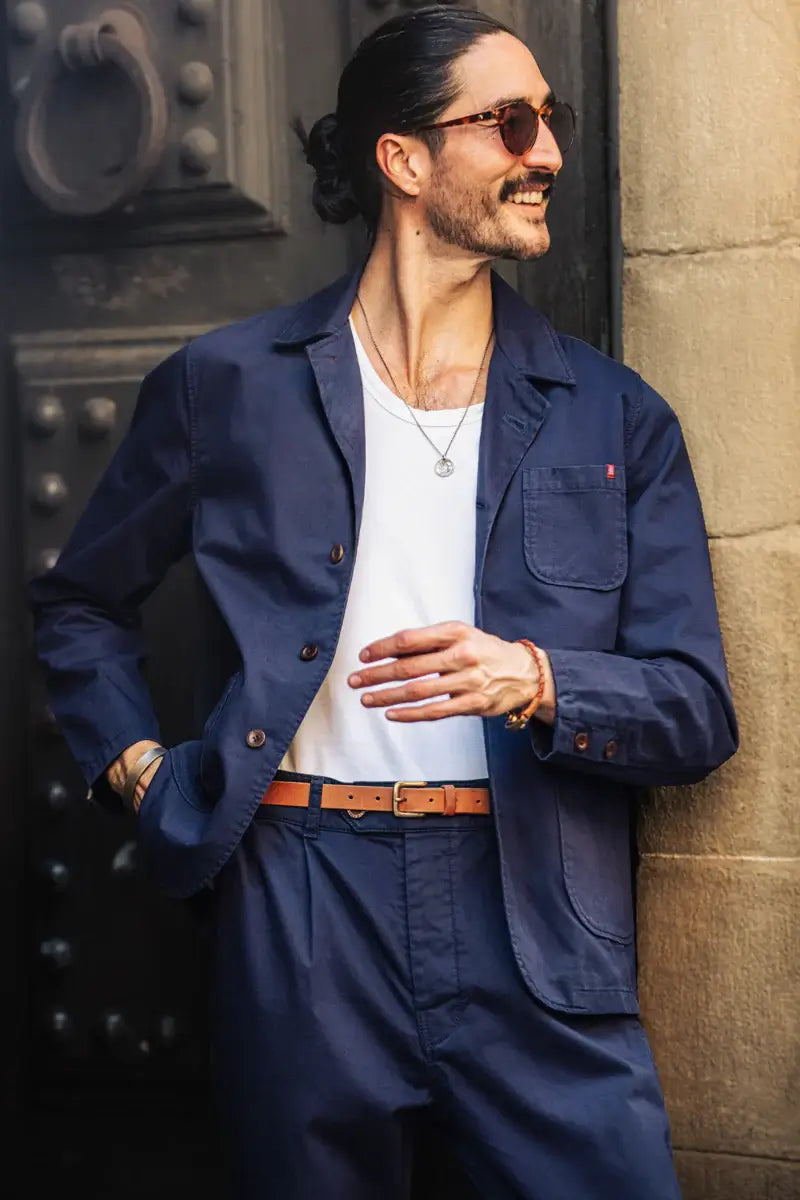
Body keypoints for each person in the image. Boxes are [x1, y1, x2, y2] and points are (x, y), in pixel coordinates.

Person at [30, 6, 738, 1197]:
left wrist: (538, 677)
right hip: (300, 897)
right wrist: (139, 769)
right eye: (509, 123)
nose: (546, 153)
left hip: (534, 911)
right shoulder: (227, 389)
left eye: (549, 122)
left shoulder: (612, 416)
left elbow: (696, 708)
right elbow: (80, 602)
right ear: (403, 161)